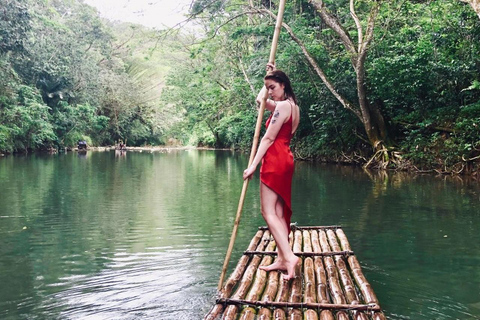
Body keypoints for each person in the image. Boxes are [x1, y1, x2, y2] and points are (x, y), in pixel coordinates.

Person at [243, 63, 300, 280]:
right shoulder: (293, 106)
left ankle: (289, 256)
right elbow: (260, 101)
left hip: (275, 160)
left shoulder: (283, 106)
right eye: (267, 87)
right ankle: (282, 259)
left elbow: (268, 138)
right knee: (277, 212)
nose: (269, 91)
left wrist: (253, 165)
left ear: (283, 85)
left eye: (273, 87)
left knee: (267, 212)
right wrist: (268, 76)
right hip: (285, 158)